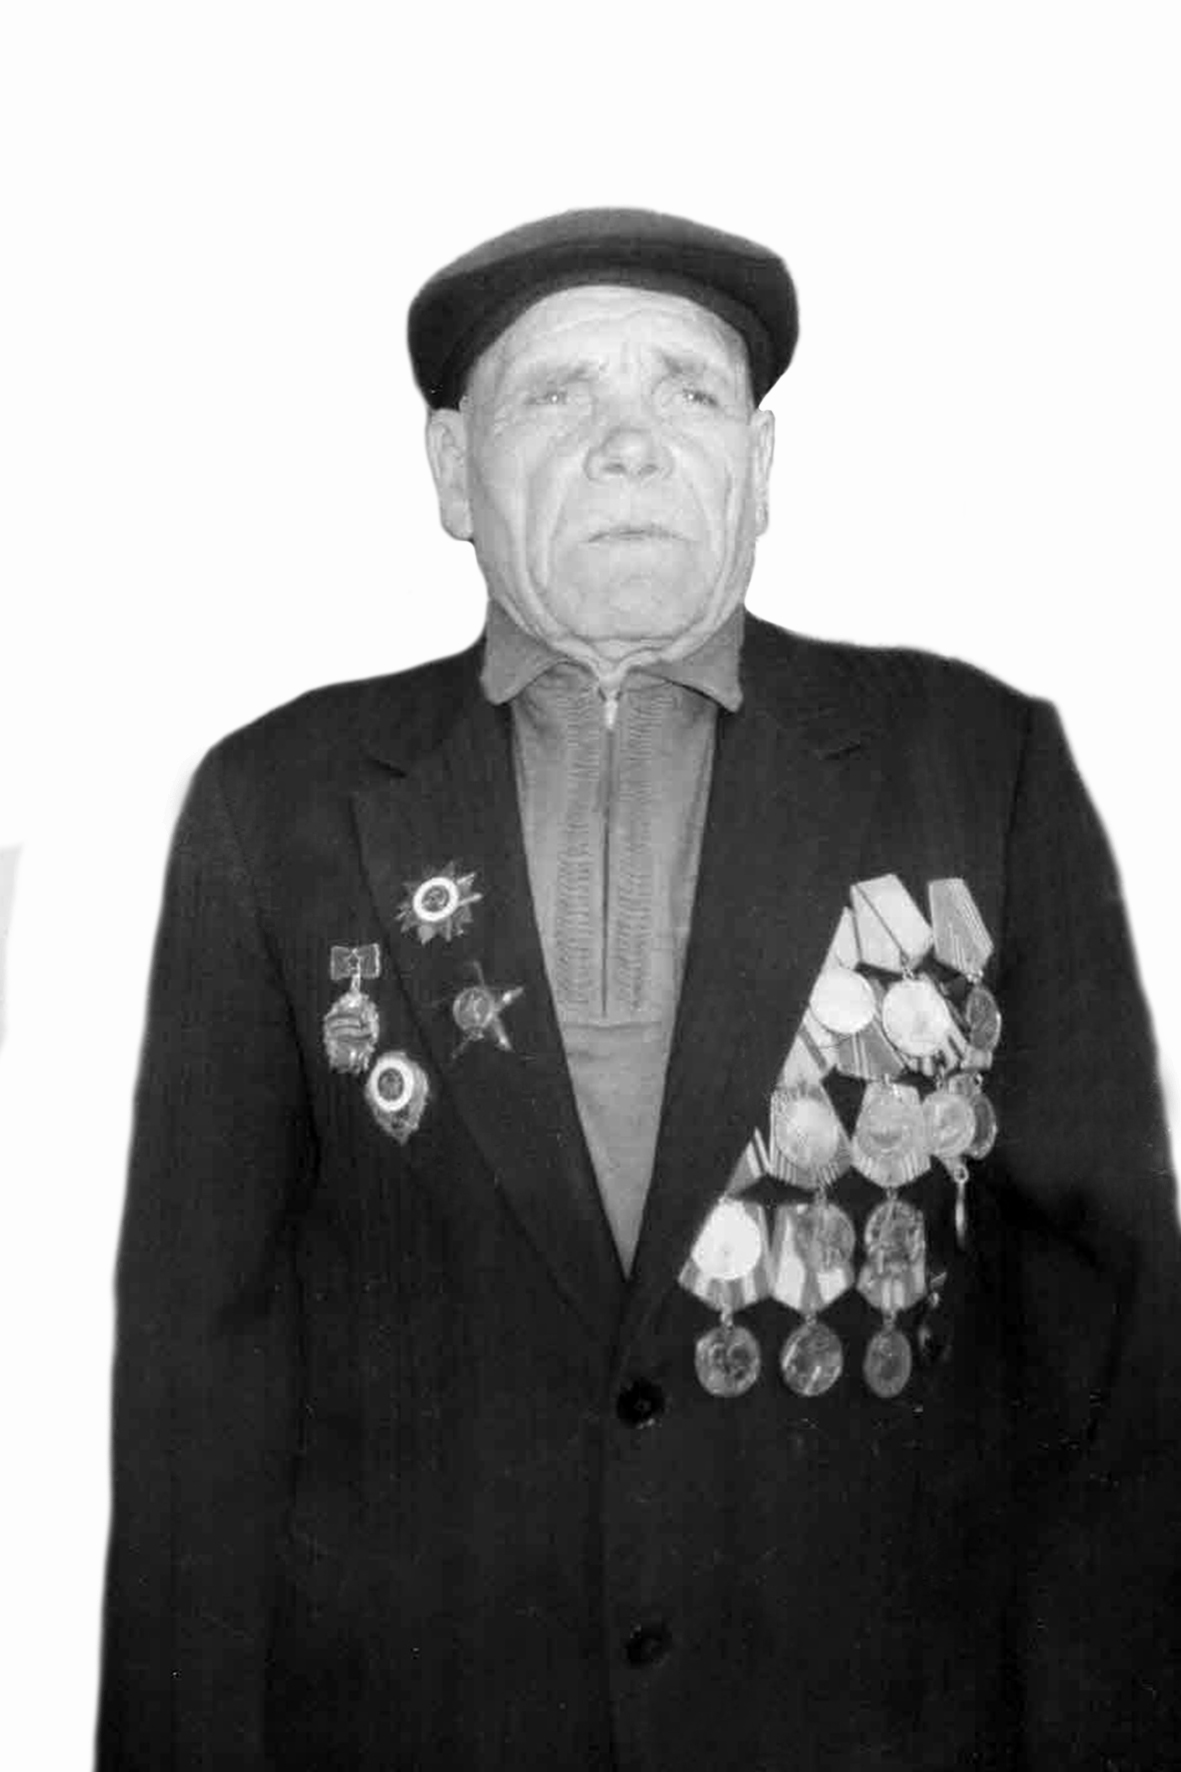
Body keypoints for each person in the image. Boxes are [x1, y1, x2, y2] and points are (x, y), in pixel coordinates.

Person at [97, 208, 1181, 1771]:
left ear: (761, 463)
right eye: (557, 395)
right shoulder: (278, 802)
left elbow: (1108, 1329)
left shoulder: (979, 765)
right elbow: (199, 1363)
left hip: (869, 1726)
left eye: (688, 390)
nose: (628, 439)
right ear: (452, 472)